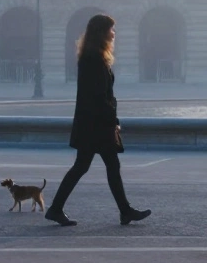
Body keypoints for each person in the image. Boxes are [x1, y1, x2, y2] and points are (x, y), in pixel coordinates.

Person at [45, 14, 151, 227]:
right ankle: (123, 211)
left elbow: (100, 95)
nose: (114, 33)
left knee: (90, 166)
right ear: (102, 33)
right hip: (97, 125)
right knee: (99, 166)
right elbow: (99, 96)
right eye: (111, 29)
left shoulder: (92, 57)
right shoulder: (94, 59)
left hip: (92, 123)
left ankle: (58, 209)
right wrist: (113, 121)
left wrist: (112, 118)